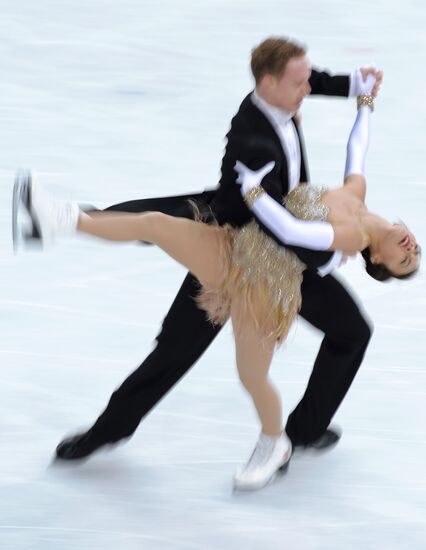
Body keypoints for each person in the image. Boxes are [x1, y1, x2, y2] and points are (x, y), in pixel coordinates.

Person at [13, 70, 419, 490]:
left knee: (346, 333)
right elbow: (351, 141)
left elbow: (299, 236)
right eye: (414, 252)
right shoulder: (351, 187)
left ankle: (299, 431)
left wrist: (259, 194)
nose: (411, 249)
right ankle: (110, 427)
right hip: (233, 241)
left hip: (278, 272)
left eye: (404, 261)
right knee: (170, 302)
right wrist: (363, 98)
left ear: (376, 258)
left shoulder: (346, 238)